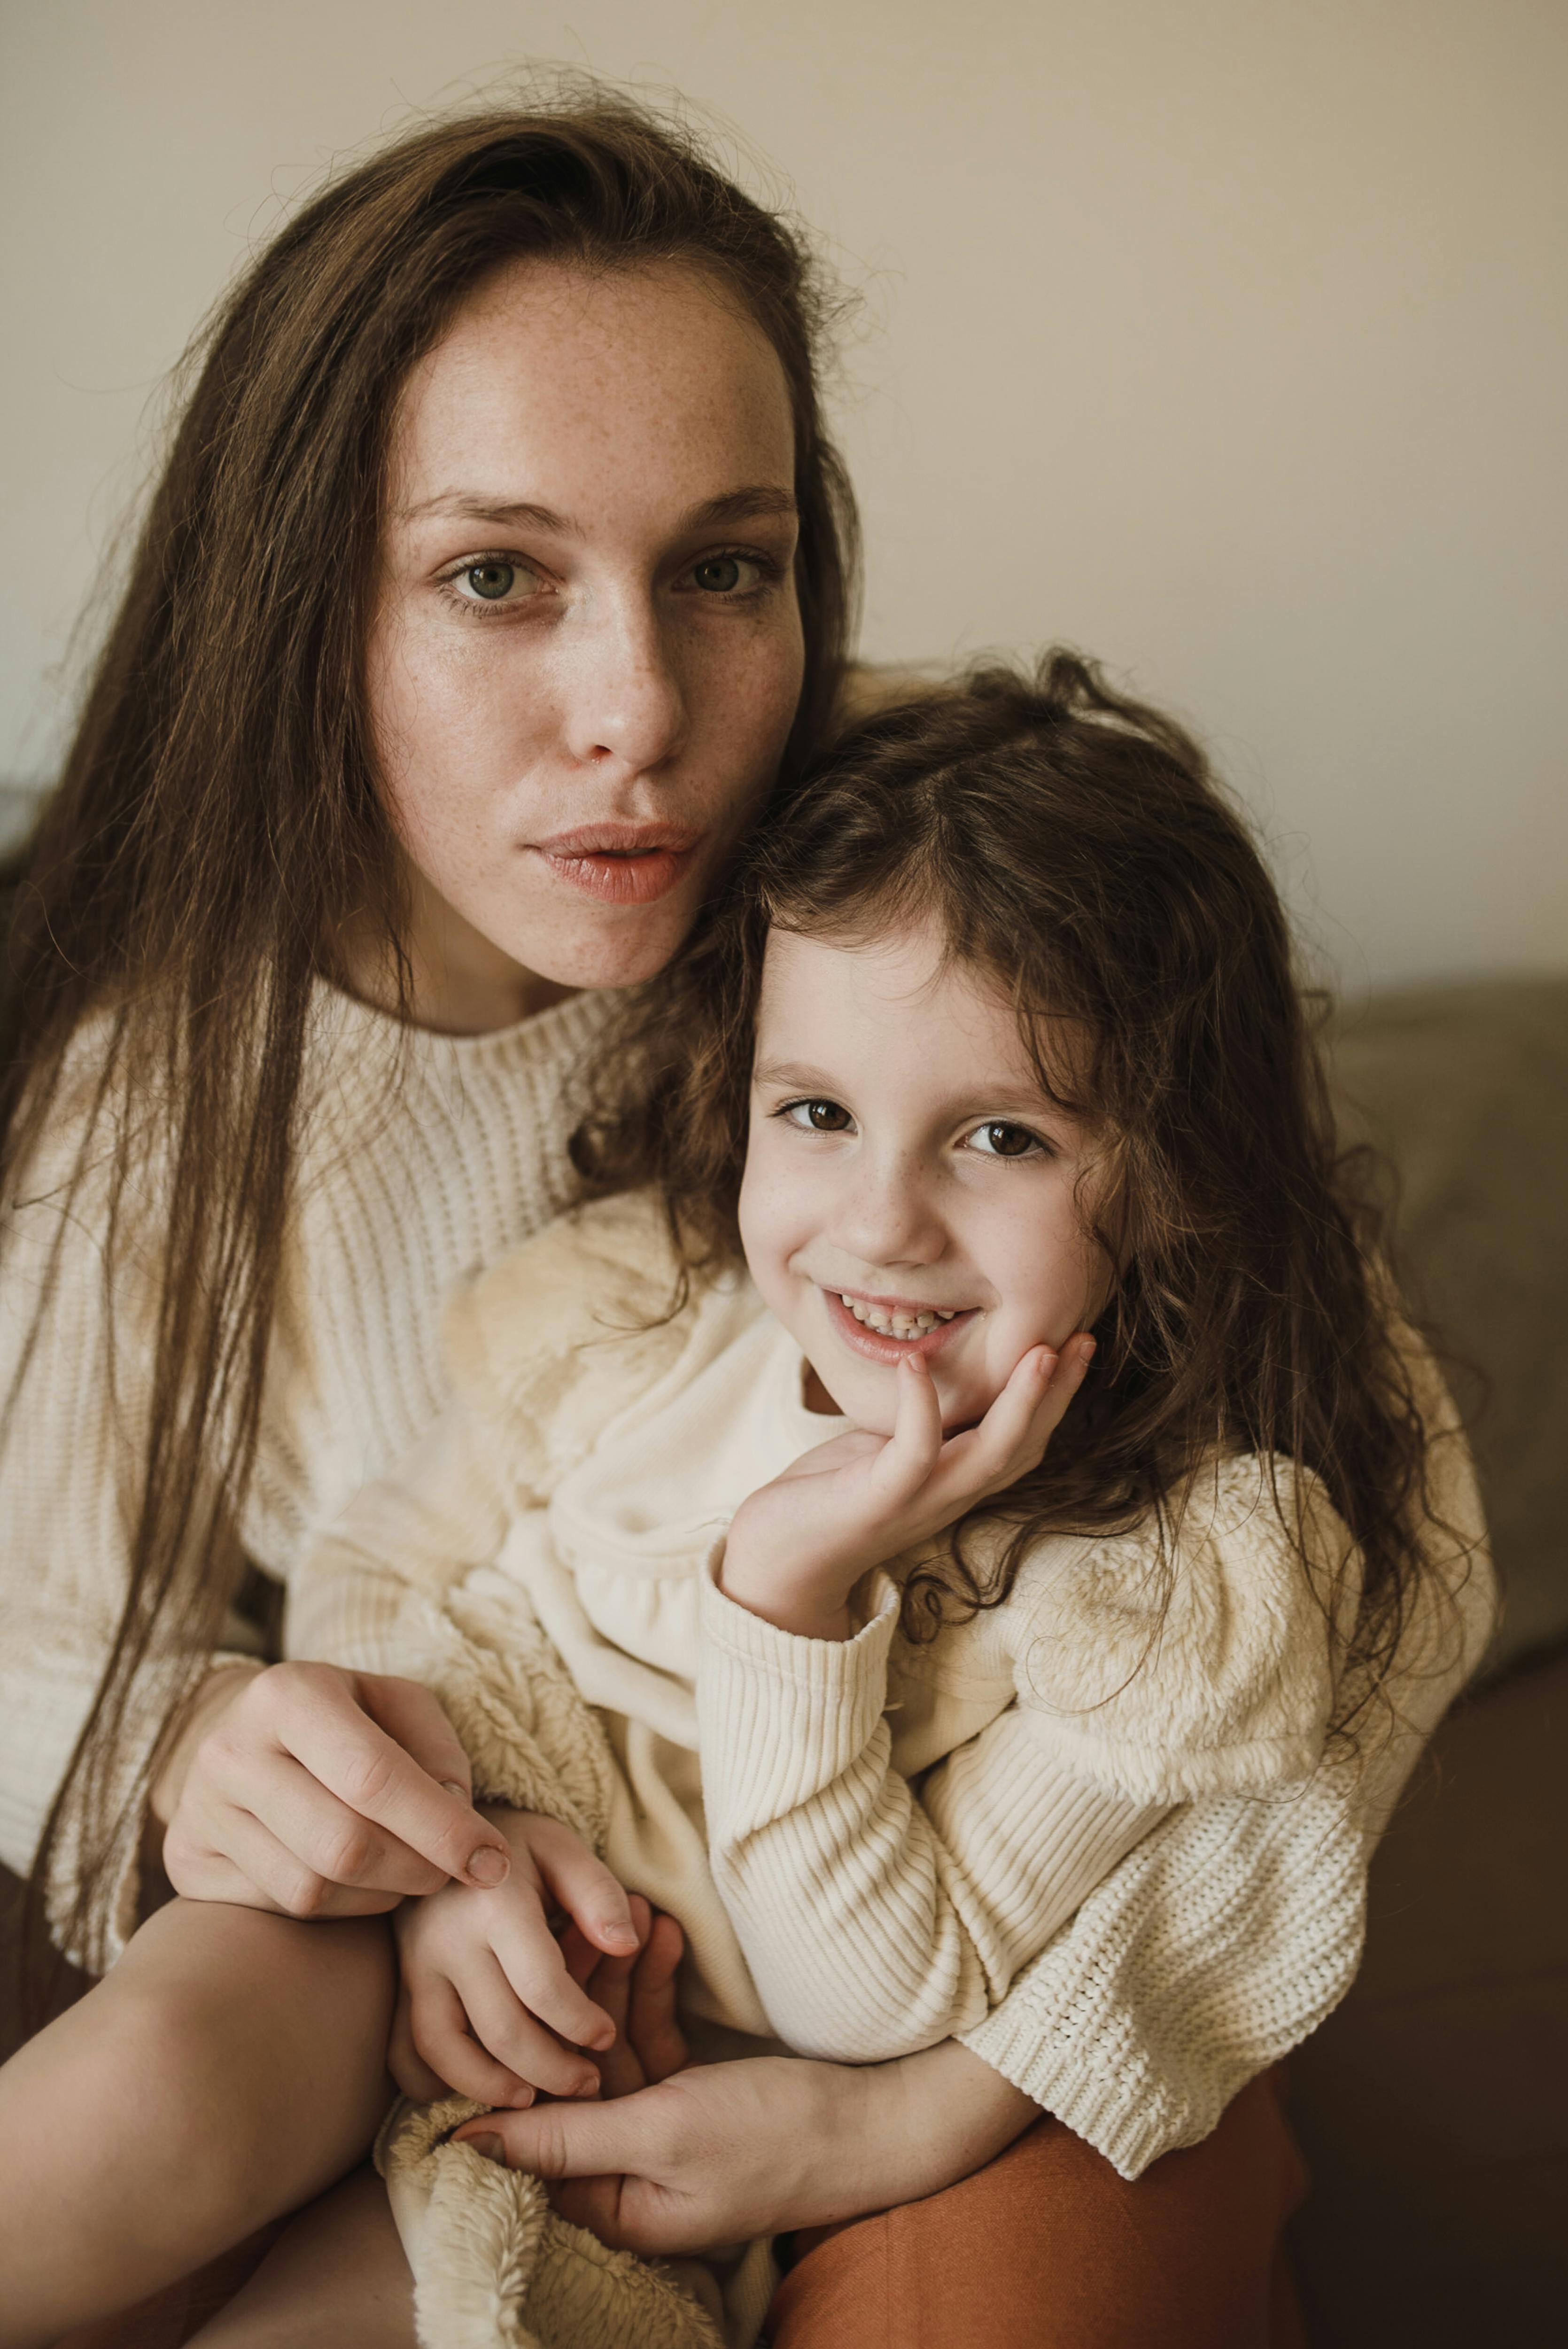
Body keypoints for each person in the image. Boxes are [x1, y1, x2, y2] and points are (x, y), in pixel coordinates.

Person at [0, 93, 1484, 2349]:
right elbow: (41, 1646)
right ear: (308, 606)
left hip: (1006, 1956)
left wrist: (936, 2102)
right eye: (498, 574)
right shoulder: (149, 1104)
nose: (647, 715)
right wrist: (256, 1760)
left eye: (727, 566)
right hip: (537, 1917)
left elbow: (1389, 1533)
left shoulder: (925, 862)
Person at [185, 653, 1484, 2343]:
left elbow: (869, 2001)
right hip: (491, 1977)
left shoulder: (1163, 1587)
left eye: (1002, 1139)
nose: (882, 1224)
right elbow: (377, 1554)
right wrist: (438, 1850)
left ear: (1173, 1175)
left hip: (814, 2074)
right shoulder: (648, 1312)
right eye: (815, 1114)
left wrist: (783, 1604)